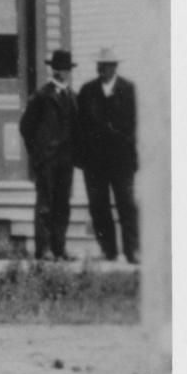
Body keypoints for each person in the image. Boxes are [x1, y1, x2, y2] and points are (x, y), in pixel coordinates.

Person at [76, 48, 140, 264]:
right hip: (95, 163)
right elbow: (80, 127)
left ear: (115, 67)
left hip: (121, 161)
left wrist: (127, 148)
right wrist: (84, 158)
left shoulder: (128, 90)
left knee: (127, 204)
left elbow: (135, 125)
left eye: (107, 65)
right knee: (99, 206)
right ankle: (109, 250)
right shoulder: (87, 92)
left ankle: (133, 251)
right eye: (100, 65)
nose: (102, 69)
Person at [19, 48, 81, 262]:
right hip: (47, 160)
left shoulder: (73, 97)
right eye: (58, 69)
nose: (62, 73)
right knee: (45, 204)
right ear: (53, 70)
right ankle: (43, 249)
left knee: (62, 204)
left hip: (66, 160)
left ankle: (59, 248)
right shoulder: (42, 96)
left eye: (65, 69)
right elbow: (26, 127)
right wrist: (37, 155)